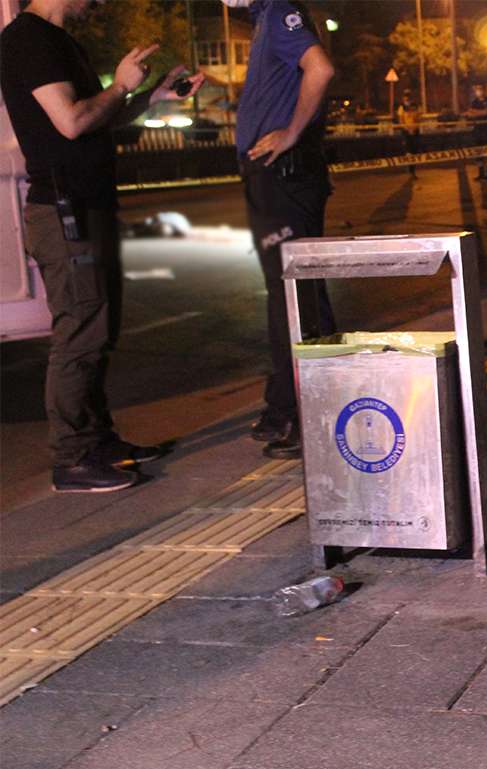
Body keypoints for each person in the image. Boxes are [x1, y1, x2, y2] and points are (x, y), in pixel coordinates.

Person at [0, 0, 203, 492]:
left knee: (99, 327)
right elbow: (70, 122)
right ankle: (71, 458)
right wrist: (120, 85)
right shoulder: (28, 39)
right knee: (80, 332)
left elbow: (93, 120)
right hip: (65, 211)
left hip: (87, 204)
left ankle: (97, 440)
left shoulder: (57, 39)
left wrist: (148, 99)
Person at [227, 0, 336, 459]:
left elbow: (321, 69)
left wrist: (291, 131)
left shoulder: (278, 12)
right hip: (277, 176)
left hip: (284, 175)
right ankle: (288, 404)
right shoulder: (265, 18)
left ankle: (306, 413)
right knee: (294, 294)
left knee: (293, 297)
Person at [464, 82, 487, 180]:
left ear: (484, 90)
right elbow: (469, 114)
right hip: (477, 130)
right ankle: (481, 173)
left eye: (480, 89)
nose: (478, 91)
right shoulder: (474, 101)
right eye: (476, 89)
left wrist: (475, 112)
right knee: (478, 152)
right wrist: (477, 113)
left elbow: (486, 112)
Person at [398, 87, 420, 177]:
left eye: (408, 96)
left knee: (414, 152)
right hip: (406, 132)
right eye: (405, 96)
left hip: (415, 131)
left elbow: (418, 119)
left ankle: (412, 170)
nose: (407, 98)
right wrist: (407, 129)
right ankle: (410, 169)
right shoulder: (401, 107)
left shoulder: (415, 106)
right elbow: (401, 120)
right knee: (408, 151)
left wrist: (414, 128)